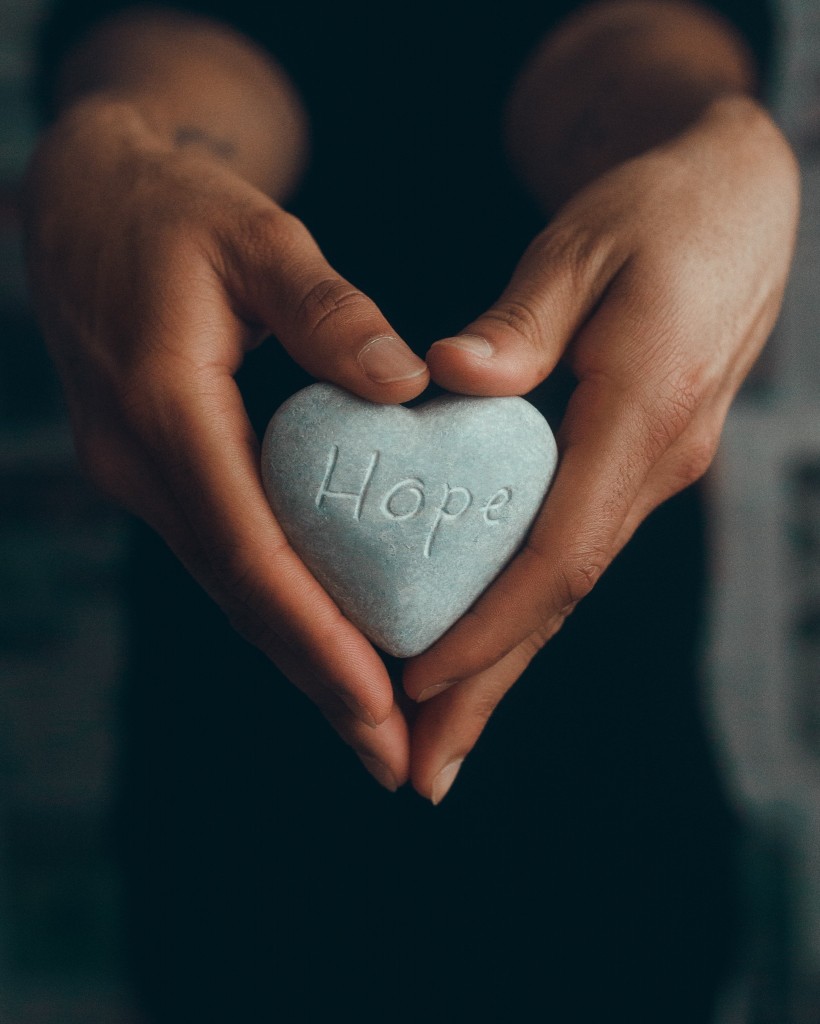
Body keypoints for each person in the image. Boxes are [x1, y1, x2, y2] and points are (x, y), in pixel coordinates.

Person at [25, 1, 797, 1020]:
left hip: (609, 794)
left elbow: (626, 51)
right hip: (236, 819)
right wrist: (124, 143)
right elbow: (183, 45)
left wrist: (710, 137)